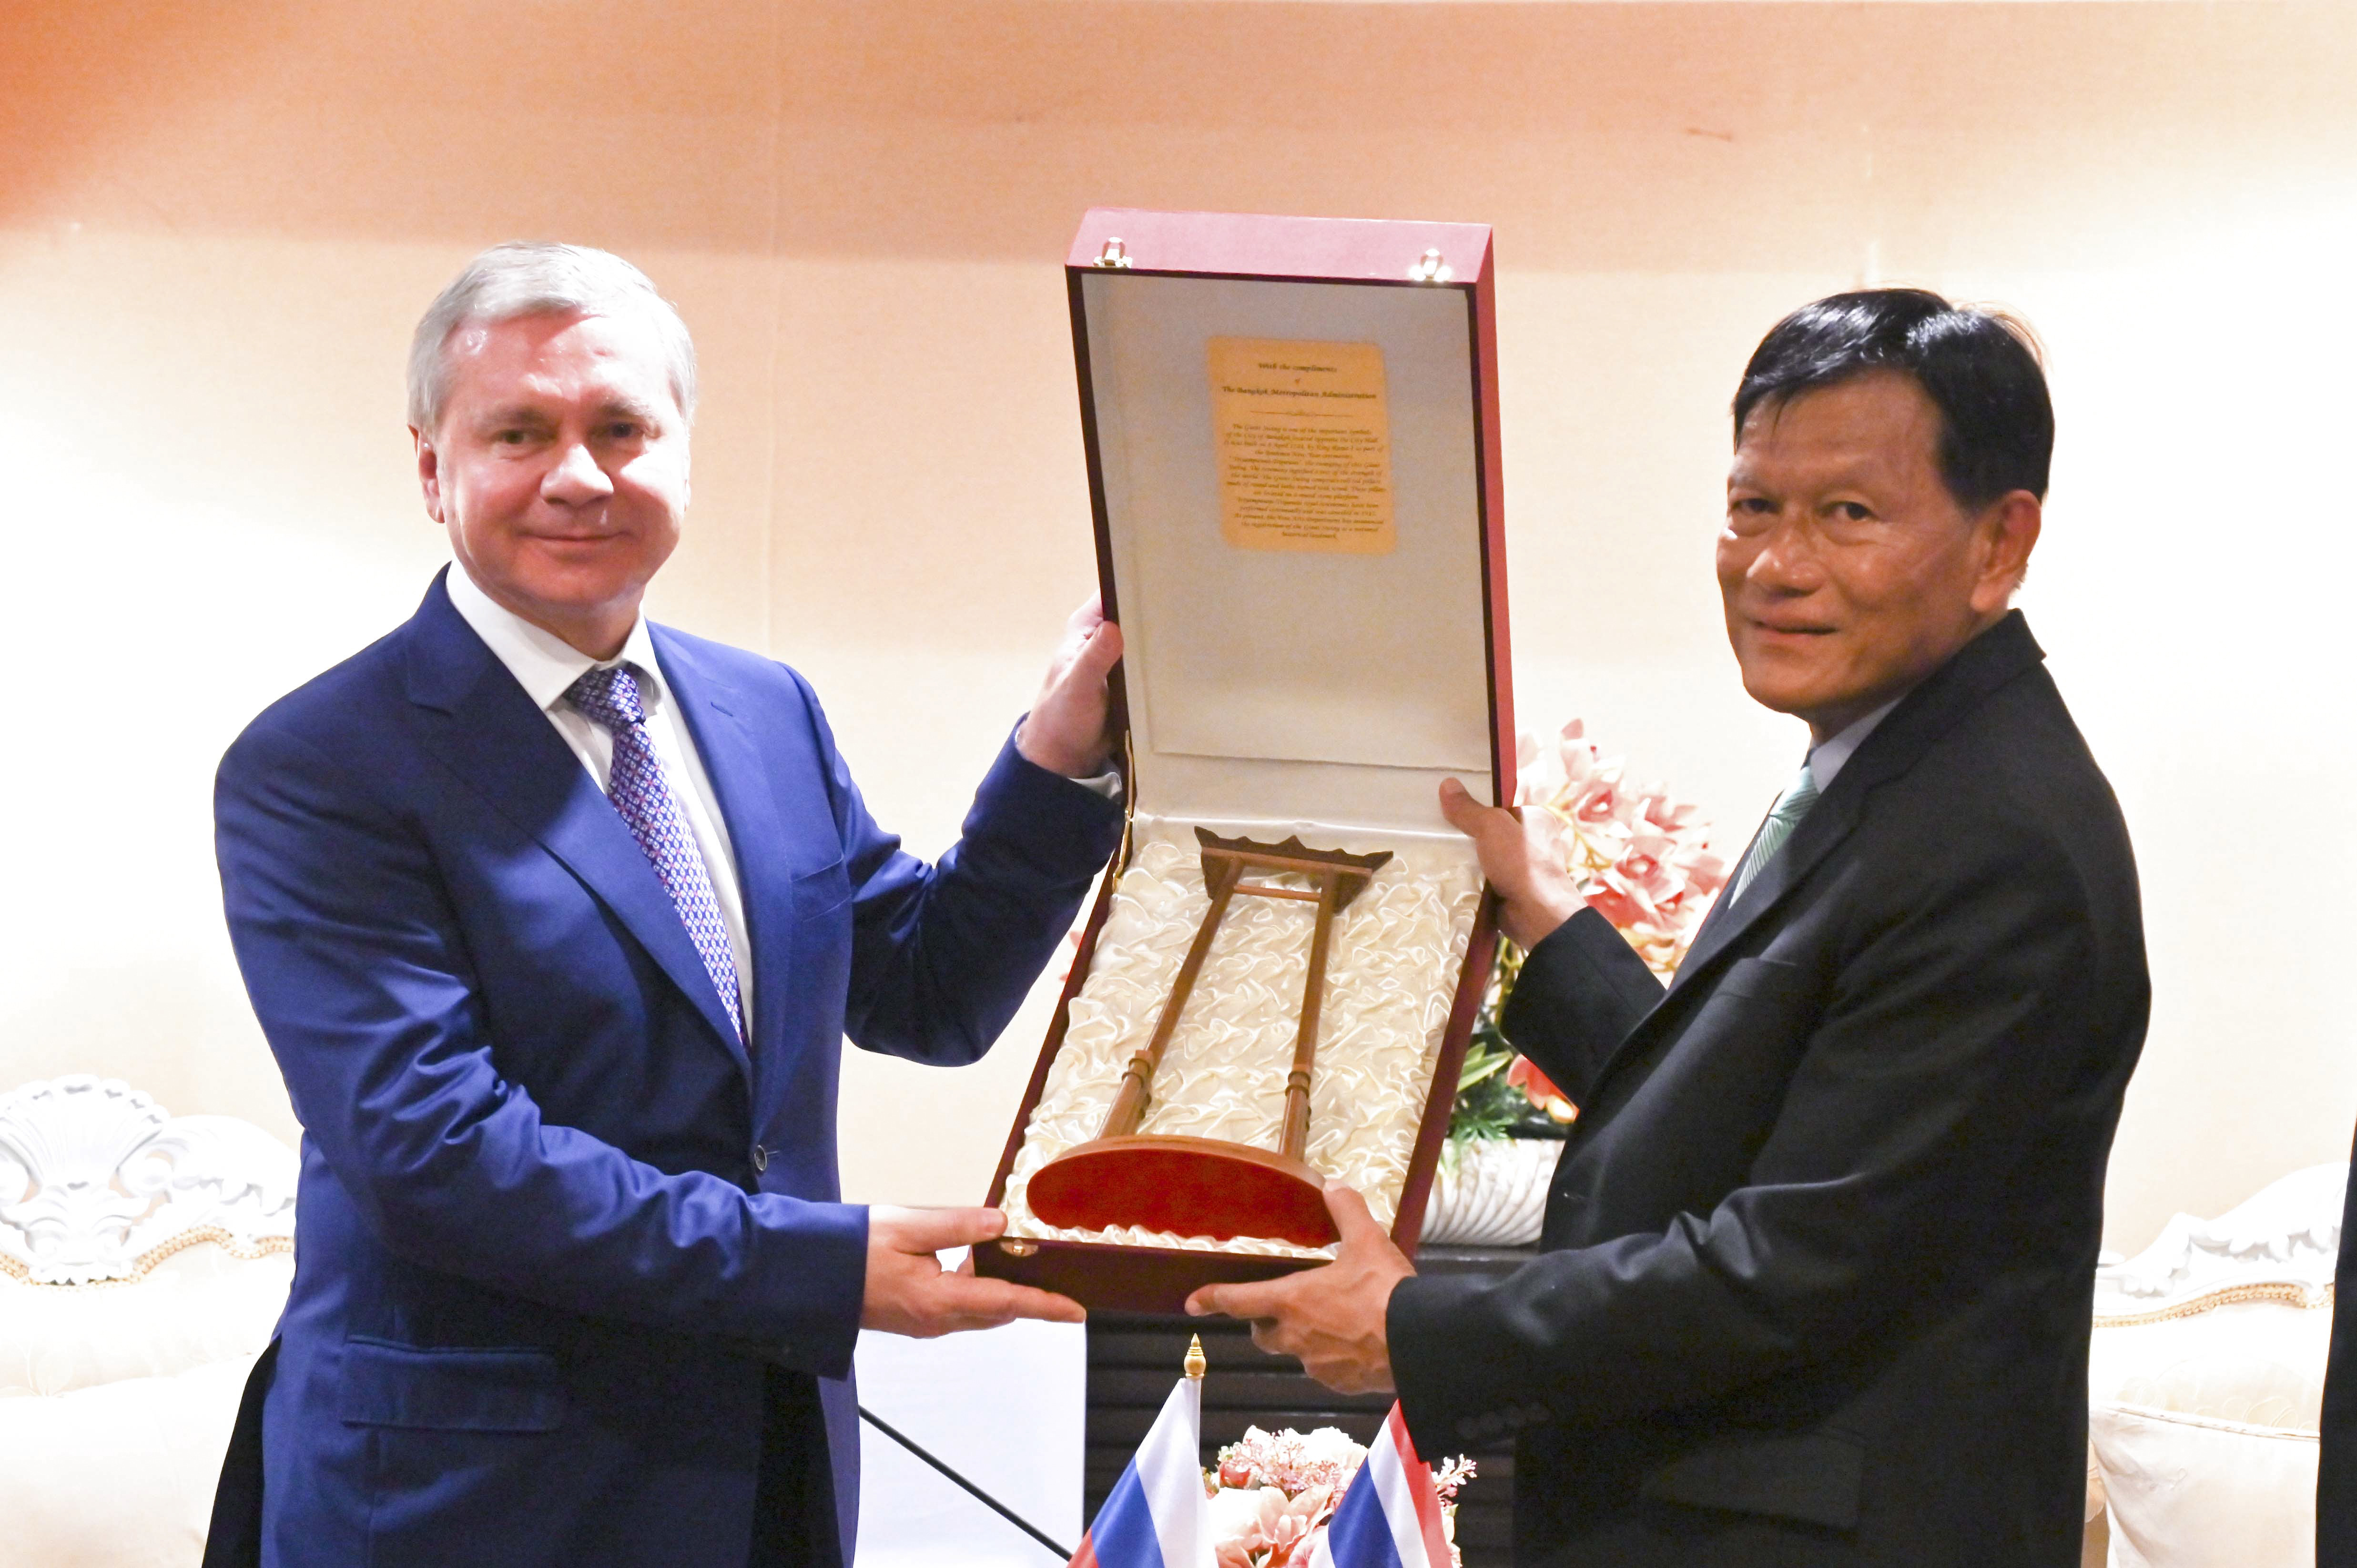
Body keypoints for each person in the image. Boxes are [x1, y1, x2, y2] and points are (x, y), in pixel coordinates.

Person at [1189, 289, 2150, 1566]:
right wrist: (1550, 921)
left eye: (1848, 514)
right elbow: (1750, 1108)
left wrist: (1420, 1332)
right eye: (1752, 506)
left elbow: (1786, 1263)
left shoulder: (1994, 838)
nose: (1776, 565)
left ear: (1998, 542)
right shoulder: (1897, 762)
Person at [203, 243, 1125, 1568]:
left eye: (622, 429)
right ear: (432, 469)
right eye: (519, 432)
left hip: (762, 1473)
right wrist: (816, 1269)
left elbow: (927, 993)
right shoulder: (324, 764)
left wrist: (1057, 758)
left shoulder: (764, 709)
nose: (579, 476)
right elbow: (435, 1154)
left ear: (682, 452)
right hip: (469, 1500)